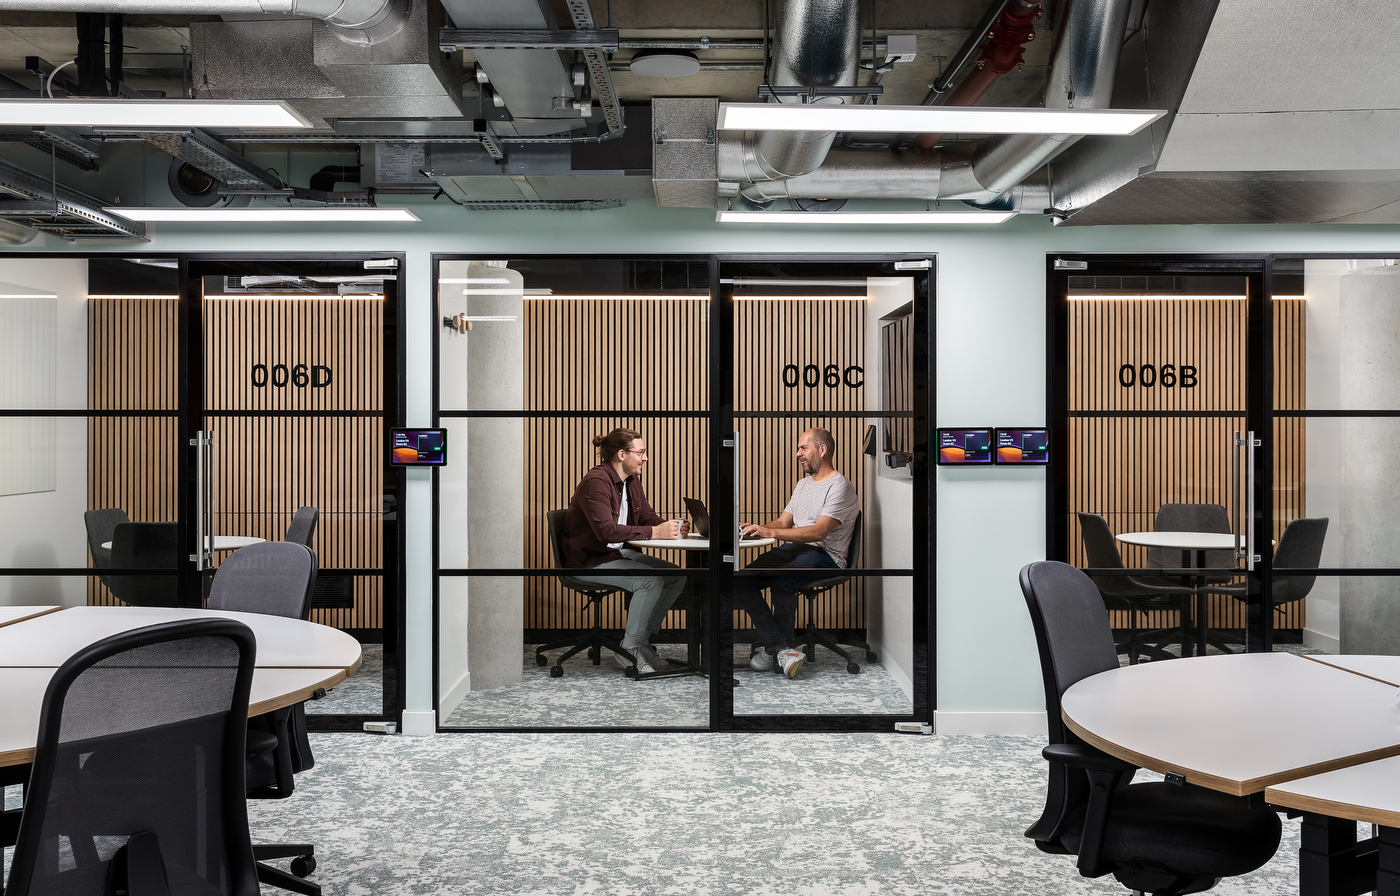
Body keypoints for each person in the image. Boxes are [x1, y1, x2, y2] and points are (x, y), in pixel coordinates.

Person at [561, 427, 687, 675]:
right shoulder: (596, 482)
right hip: (589, 560)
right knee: (649, 581)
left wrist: (669, 526)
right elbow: (606, 532)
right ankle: (630, 649)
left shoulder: (631, 480)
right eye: (641, 452)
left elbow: (647, 517)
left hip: (614, 554)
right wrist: (655, 532)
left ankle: (642, 642)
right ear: (622, 454)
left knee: (676, 575)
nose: (645, 458)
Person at [736, 427, 860, 679]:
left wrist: (770, 532)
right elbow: (783, 523)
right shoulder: (803, 484)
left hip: (827, 555)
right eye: (798, 448)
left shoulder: (840, 486)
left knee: (783, 579)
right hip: (795, 549)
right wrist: (755, 529)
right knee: (740, 579)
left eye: (803, 448)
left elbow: (819, 533)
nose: (798, 454)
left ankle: (777, 649)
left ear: (822, 450)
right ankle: (781, 649)